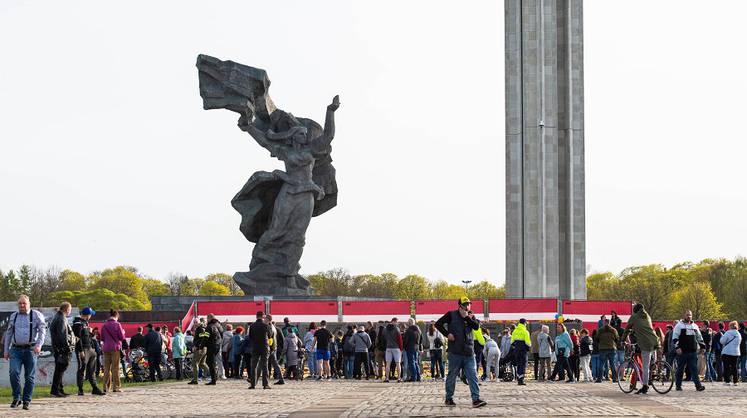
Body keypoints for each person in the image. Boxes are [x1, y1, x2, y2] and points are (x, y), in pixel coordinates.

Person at [434, 297, 486, 408]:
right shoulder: (451, 314)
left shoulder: (471, 316)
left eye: (469, 304)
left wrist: (467, 317)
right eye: (465, 304)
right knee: (452, 376)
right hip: (455, 352)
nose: (467, 306)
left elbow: (476, 327)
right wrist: (447, 334)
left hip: (469, 353)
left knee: (473, 376)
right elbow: (438, 324)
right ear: (460, 305)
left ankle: (476, 399)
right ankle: (449, 398)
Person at [3, 295, 46, 410]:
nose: (22, 305)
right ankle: (16, 397)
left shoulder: (36, 315)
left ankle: (27, 400)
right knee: (13, 373)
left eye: (24, 303)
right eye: (20, 303)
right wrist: (6, 350)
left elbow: (42, 331)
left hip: (31, 350)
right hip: (15, 350)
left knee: (29, 377)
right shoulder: (13, 316)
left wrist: (39, 345)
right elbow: (8, 334)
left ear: (29, 304)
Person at [621, 303, 659, 394]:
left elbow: (627, 329)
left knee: (645, 366)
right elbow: (644, 328)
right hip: (654, 341)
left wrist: (623, 340)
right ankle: (653, 374)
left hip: (645, 343)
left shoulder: (634, 317)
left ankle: (645, 386)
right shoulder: (647, 316)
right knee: (649, 364)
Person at [73, 307, 105, 396]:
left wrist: (90, 333)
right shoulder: (78, 323)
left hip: (90, 349)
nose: (91, 316)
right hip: (83, 350)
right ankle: (80, 389)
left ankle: (95, 388)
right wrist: (81, 351)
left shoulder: (85, 323)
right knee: (81, 370)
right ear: (88, 315)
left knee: (91, 370)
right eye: (90, 315)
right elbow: (77, 338)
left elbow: (86, 336)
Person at [672, 310, 706, 392]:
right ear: (684, 315)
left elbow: (699, 337)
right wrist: (677, 347)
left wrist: (703, 347)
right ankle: (678, 386)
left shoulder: (695, 326)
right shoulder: (679, 326)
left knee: (694, 369)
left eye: (690, 315)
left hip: (692, 351)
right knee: (680, 369)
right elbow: (675, 337)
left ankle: (698, 386)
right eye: (687, 315)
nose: (689, 316)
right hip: (682, 351)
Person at [49, 301, 74, 398]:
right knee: (60, 370)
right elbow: (62, 335)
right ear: (67, 309)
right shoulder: (61, 319)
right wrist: (67, 348)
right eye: (70, 309)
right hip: (61, 349)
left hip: (58, 348)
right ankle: (55, 390)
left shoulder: (58, 317)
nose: (70, 311)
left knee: (60, 370)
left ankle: (59, 389)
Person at [100, 309, 126, 393]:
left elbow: (102, 338)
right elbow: (121, 337)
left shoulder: (104, 325)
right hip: (115, 348)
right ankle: (116, 387)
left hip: (106, 348)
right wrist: (123, 332)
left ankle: (105, 387)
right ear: (116, 316)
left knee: (106, 368)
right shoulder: (117, 324)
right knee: (115, 368)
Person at [248, 311, 271, 389]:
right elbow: (270, 335)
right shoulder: (266, 325)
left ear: (256, 316)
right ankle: (265, 384)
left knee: (253, 366)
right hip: (264, 347)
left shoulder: (252, 326)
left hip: (255, 347)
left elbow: (250, 337)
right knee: (265, 365)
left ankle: (252, 384)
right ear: (263, 316)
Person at [595, 318, 619, 383]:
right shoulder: (613, 330)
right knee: (612, 364)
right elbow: (617, 339)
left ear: (604, 323)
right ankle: (614, 379)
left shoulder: (600, 330)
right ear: (609, 323)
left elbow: (596, 339)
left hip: (602, 348)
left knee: (601, 364)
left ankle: (599, 379)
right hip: (612, 348)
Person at [188, 318, 211, 385]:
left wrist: (197, 346)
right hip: (203, 348)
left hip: (200, 349)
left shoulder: (200, 329)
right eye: (194, 322)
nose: (194, 324)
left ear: (199, 322)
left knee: (194, 363)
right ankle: (213, 375)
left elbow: (202, 339)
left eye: (196, 322)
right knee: (202, 364)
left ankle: (195, 379)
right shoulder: (201, 328)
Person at [720, 321, 742, 386]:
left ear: (730, 326)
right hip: (736, 352)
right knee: (734, 367)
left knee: (726, 367)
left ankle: (727, 381)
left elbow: (722, 341)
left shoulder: (728, 332)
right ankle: (735, 381)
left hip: (727, 352)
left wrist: (722, 336)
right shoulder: (738, 334)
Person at [511, 318, 531, 385]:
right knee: (523, 364)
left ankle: (518, 378)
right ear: (524, 323)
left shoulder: (515, 331)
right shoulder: (525, 331)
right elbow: (528, 342)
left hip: (516, 349)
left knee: (518, 364)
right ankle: (521, 380)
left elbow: (512, 342)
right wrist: (528, 348)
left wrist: (516, 346)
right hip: (523, 349)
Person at [382, 317, 403, 383]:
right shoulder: (396, 329)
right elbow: (400, 339)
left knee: (388, 363)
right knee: (398, 363)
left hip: (388, 347)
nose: (397, 323)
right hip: (396, 348)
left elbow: (384, 338)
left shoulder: (385, 329)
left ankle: (387, 378)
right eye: (396, 322)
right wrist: (401, 348)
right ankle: (399, 378)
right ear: (393, 321)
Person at [205, 313, 224, 385]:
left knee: (211, 361)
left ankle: (214, 377)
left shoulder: (211, 325)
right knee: (217, 361)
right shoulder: (219, 324)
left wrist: (202, 345)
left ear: (209, 318)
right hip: (218, 344)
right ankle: (218, 375)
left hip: (212, 345)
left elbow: (207, 336)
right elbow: (221, 334)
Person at [266, 315, 285, 384]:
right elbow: (282, 340)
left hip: (271, 348)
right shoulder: (277, 329)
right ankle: (278, 377)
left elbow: (271, 339)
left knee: (267, 363)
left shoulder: (270, 328)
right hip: (276, 348)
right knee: (275, 363)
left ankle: (267, 376)